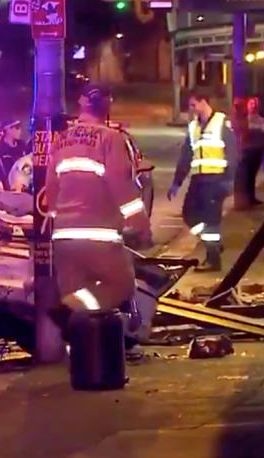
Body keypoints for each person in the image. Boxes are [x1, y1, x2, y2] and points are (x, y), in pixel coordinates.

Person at [45, 85, 152, 391]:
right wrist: (138, 221)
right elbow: (121, 183)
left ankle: (82, 368)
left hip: (64, 235)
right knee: (121, 285)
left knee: (80, 296)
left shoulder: (61, 139)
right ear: (108, 106)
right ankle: (66, 312)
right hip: (99, 233)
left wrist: (57, 217)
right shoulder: (111, 138)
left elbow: (51, 188)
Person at [169, 91, 238, 272]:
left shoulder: (222, 123)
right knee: (189, 215)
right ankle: (214, 246)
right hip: (199, 179)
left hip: (216, 179)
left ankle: (213, 259)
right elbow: (186, 156)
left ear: (203, 101)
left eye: (193, 105)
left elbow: (232, 153)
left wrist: (230, 181)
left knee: (211, 220)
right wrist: (177, 182)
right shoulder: (194, 127)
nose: (191, 110)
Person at [235, 96, 264, 209]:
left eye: (255, 104)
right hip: (247, 150)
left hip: (257, 150)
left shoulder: (261, 120)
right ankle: (246, 198)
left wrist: (253, 132)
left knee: (252, 175)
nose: (253, 106)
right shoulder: (244, 119)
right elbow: (243, 132)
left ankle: (251, 197)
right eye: (251, 103)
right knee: (246, 175)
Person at [0, 119, 27, 184]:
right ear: (8, 130)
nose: (19, 131)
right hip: (5, 184)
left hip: (22, 182)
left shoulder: (22, 146)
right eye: (17, 128)